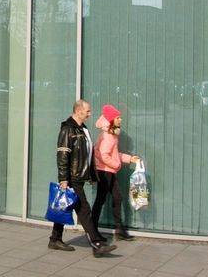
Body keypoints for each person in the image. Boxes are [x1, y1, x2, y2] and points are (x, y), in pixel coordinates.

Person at [49, 99, 116, 257]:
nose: (90, 114)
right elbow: (62, 155)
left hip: (78, 175)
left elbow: (87, 153)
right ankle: (96, 244)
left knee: (65, 206)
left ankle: (55, 239)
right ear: (79, 111)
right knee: (84, 209)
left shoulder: (82, 129)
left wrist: (91, 175)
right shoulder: (68, 129)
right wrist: (63, 179)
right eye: (87, 111)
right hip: (72, 177)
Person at [92, 104, 140, 241]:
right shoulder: (108, 135)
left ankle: (119, 229)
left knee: (116, 198)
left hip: (108, 170)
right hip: (104, 172)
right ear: (111, 120)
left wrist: (130, 159)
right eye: (118, 117)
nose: (121, 120)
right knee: (101, 200)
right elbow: (103, 155)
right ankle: (93, 229)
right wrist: (117, 165)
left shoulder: (111, 133)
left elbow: (113, 154)